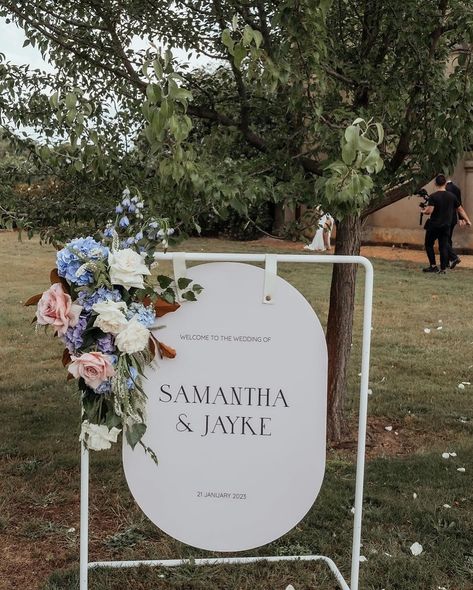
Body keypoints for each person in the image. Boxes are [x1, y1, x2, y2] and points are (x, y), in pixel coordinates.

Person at [422, 174, 471, 274]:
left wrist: (423, 211)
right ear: (445, 183)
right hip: (446, 225)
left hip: (434, 225)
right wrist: (467, 220)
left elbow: (429, 211)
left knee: (428, 244)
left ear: (436, 183)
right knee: (444, 246)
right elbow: (460, 209)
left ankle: (433, 266)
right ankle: (443, 269)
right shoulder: (452, 196)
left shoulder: (433, 196)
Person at [445, 180, 463, 268]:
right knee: (448, 239)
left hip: (444, 218)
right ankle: (448, 261)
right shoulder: (457, 189)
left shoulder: (444, 188)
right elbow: (459, 205)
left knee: (444, 239)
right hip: (453, 218)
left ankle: (452, 258)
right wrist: (461, 218)